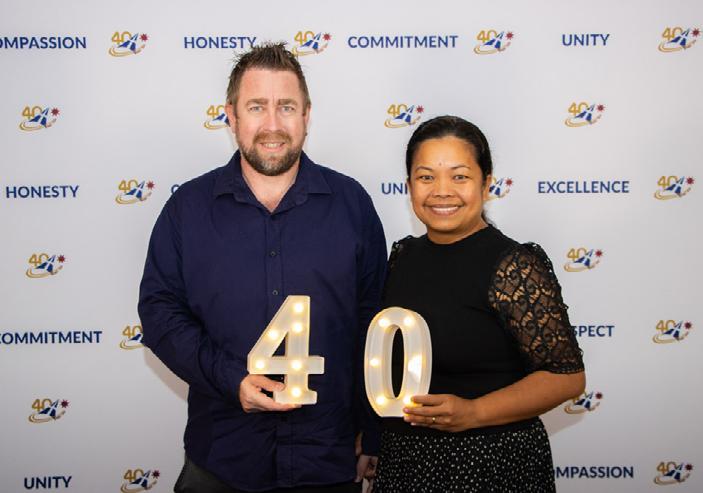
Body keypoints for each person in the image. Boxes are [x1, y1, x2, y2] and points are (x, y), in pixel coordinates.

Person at [138, 43, 386, 493]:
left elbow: (374, 325)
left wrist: (373, 430)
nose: (272, 124)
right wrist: (231, 379)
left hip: (328, 461)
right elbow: (159, 314)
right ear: (231, 116)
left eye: (286, 107)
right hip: (222, 461)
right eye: (256, 107)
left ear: (306, 116)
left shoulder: (352, 205)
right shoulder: (187, 210)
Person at [373, 115, 585, 492]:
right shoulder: (403, 257)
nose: (442, 191)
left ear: (486, 184)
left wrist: (474, 412)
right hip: (406, 462)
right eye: (426, 177)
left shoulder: (513, 266)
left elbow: (566, 377)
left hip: (492, 462)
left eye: (459, 176)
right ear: (408, 186)